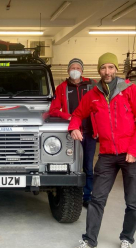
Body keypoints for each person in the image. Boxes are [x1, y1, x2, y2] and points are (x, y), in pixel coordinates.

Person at [67, 53, 136, 248]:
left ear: (116, 69)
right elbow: (77, 114)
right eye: (104, 68)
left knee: (132, 201)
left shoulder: (129, 90)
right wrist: (74, 127)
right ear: (99, 70)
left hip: (130, 154)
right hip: (106, 155)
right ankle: (90, 242)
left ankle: (127, 240)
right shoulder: (93, 94)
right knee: (96, 199)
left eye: (111, 67)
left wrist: (134, 150)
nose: (107, 72)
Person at [49, 58, 97, 207]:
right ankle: (72, 195)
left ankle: (87, 196)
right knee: (71, 166)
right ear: (68, 70)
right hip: (72, 133)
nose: (75, 70)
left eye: (78, 67)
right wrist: (68, 116)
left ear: (82, 70)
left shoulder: (92, 85)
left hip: (89, 132)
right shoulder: (62, 88)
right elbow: (53, 110)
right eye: (72, 67)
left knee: (88, 166)